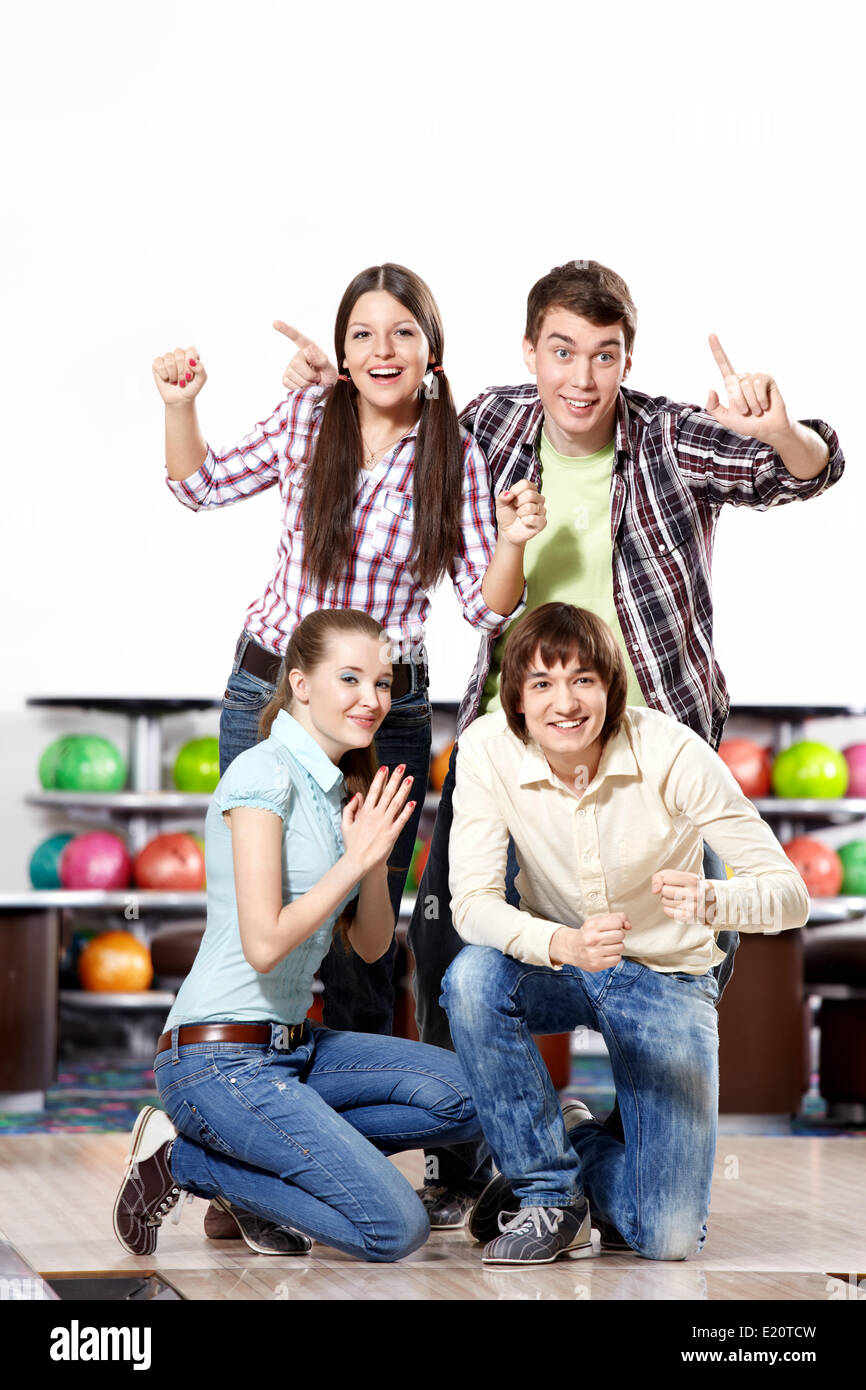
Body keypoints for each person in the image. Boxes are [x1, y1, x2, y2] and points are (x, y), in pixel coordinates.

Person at [280, 258, 844, 1225]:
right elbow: (395, 405)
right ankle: (478, 1157)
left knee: (683, 958)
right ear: (531, 353)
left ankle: (625, 1140)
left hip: (651, 746)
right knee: (449, 939)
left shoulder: (665, 437)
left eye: (605, 356)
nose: (582, 378)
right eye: (562, 352)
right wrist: (328, 387)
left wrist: (780, 428)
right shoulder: (492, 424)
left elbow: (802, 471)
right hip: (513, 746)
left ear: (628, 360)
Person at [154, 261, 544, 1045]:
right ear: (342, 350)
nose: (382, 348)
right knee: (257, 909)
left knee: (364, 937)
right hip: (270, 697)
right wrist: (182, 405)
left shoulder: (454, 456)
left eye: (402, 332)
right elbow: (201, 484)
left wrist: (512, 542)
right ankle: (233, 1095)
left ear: (432, 351)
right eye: (362, 334)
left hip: (381, 712)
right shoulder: (308, 417)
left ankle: (353, 1129)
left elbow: (485, 607)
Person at [439, 603, 810, 1265]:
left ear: (610, 688)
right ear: (517, 699)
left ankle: (571, 1139)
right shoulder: (487, 750)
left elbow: (791, 894)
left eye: (583, 680)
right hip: (560, 962)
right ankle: (547, 1192)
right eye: (543, 684)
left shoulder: (671, 749)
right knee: (470, 978)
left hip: (666, 977)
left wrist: (713, 899)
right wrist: (561, 944)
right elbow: (471, 904)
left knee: (667, 1239)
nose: (565, 702)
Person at [113, 608, 483, 1263]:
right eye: (350, 679)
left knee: (472, 1094)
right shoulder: (264, 774)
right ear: (301, 684)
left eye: (382, 683)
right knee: (395, 1228)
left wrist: (370, 863)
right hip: (215, 1060)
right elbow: (264, 943)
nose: (371, 700)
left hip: (296, 1051)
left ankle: (252, 1161)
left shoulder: (338, 787)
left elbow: (370, 948)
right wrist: (351, 858)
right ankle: (187, 1161)